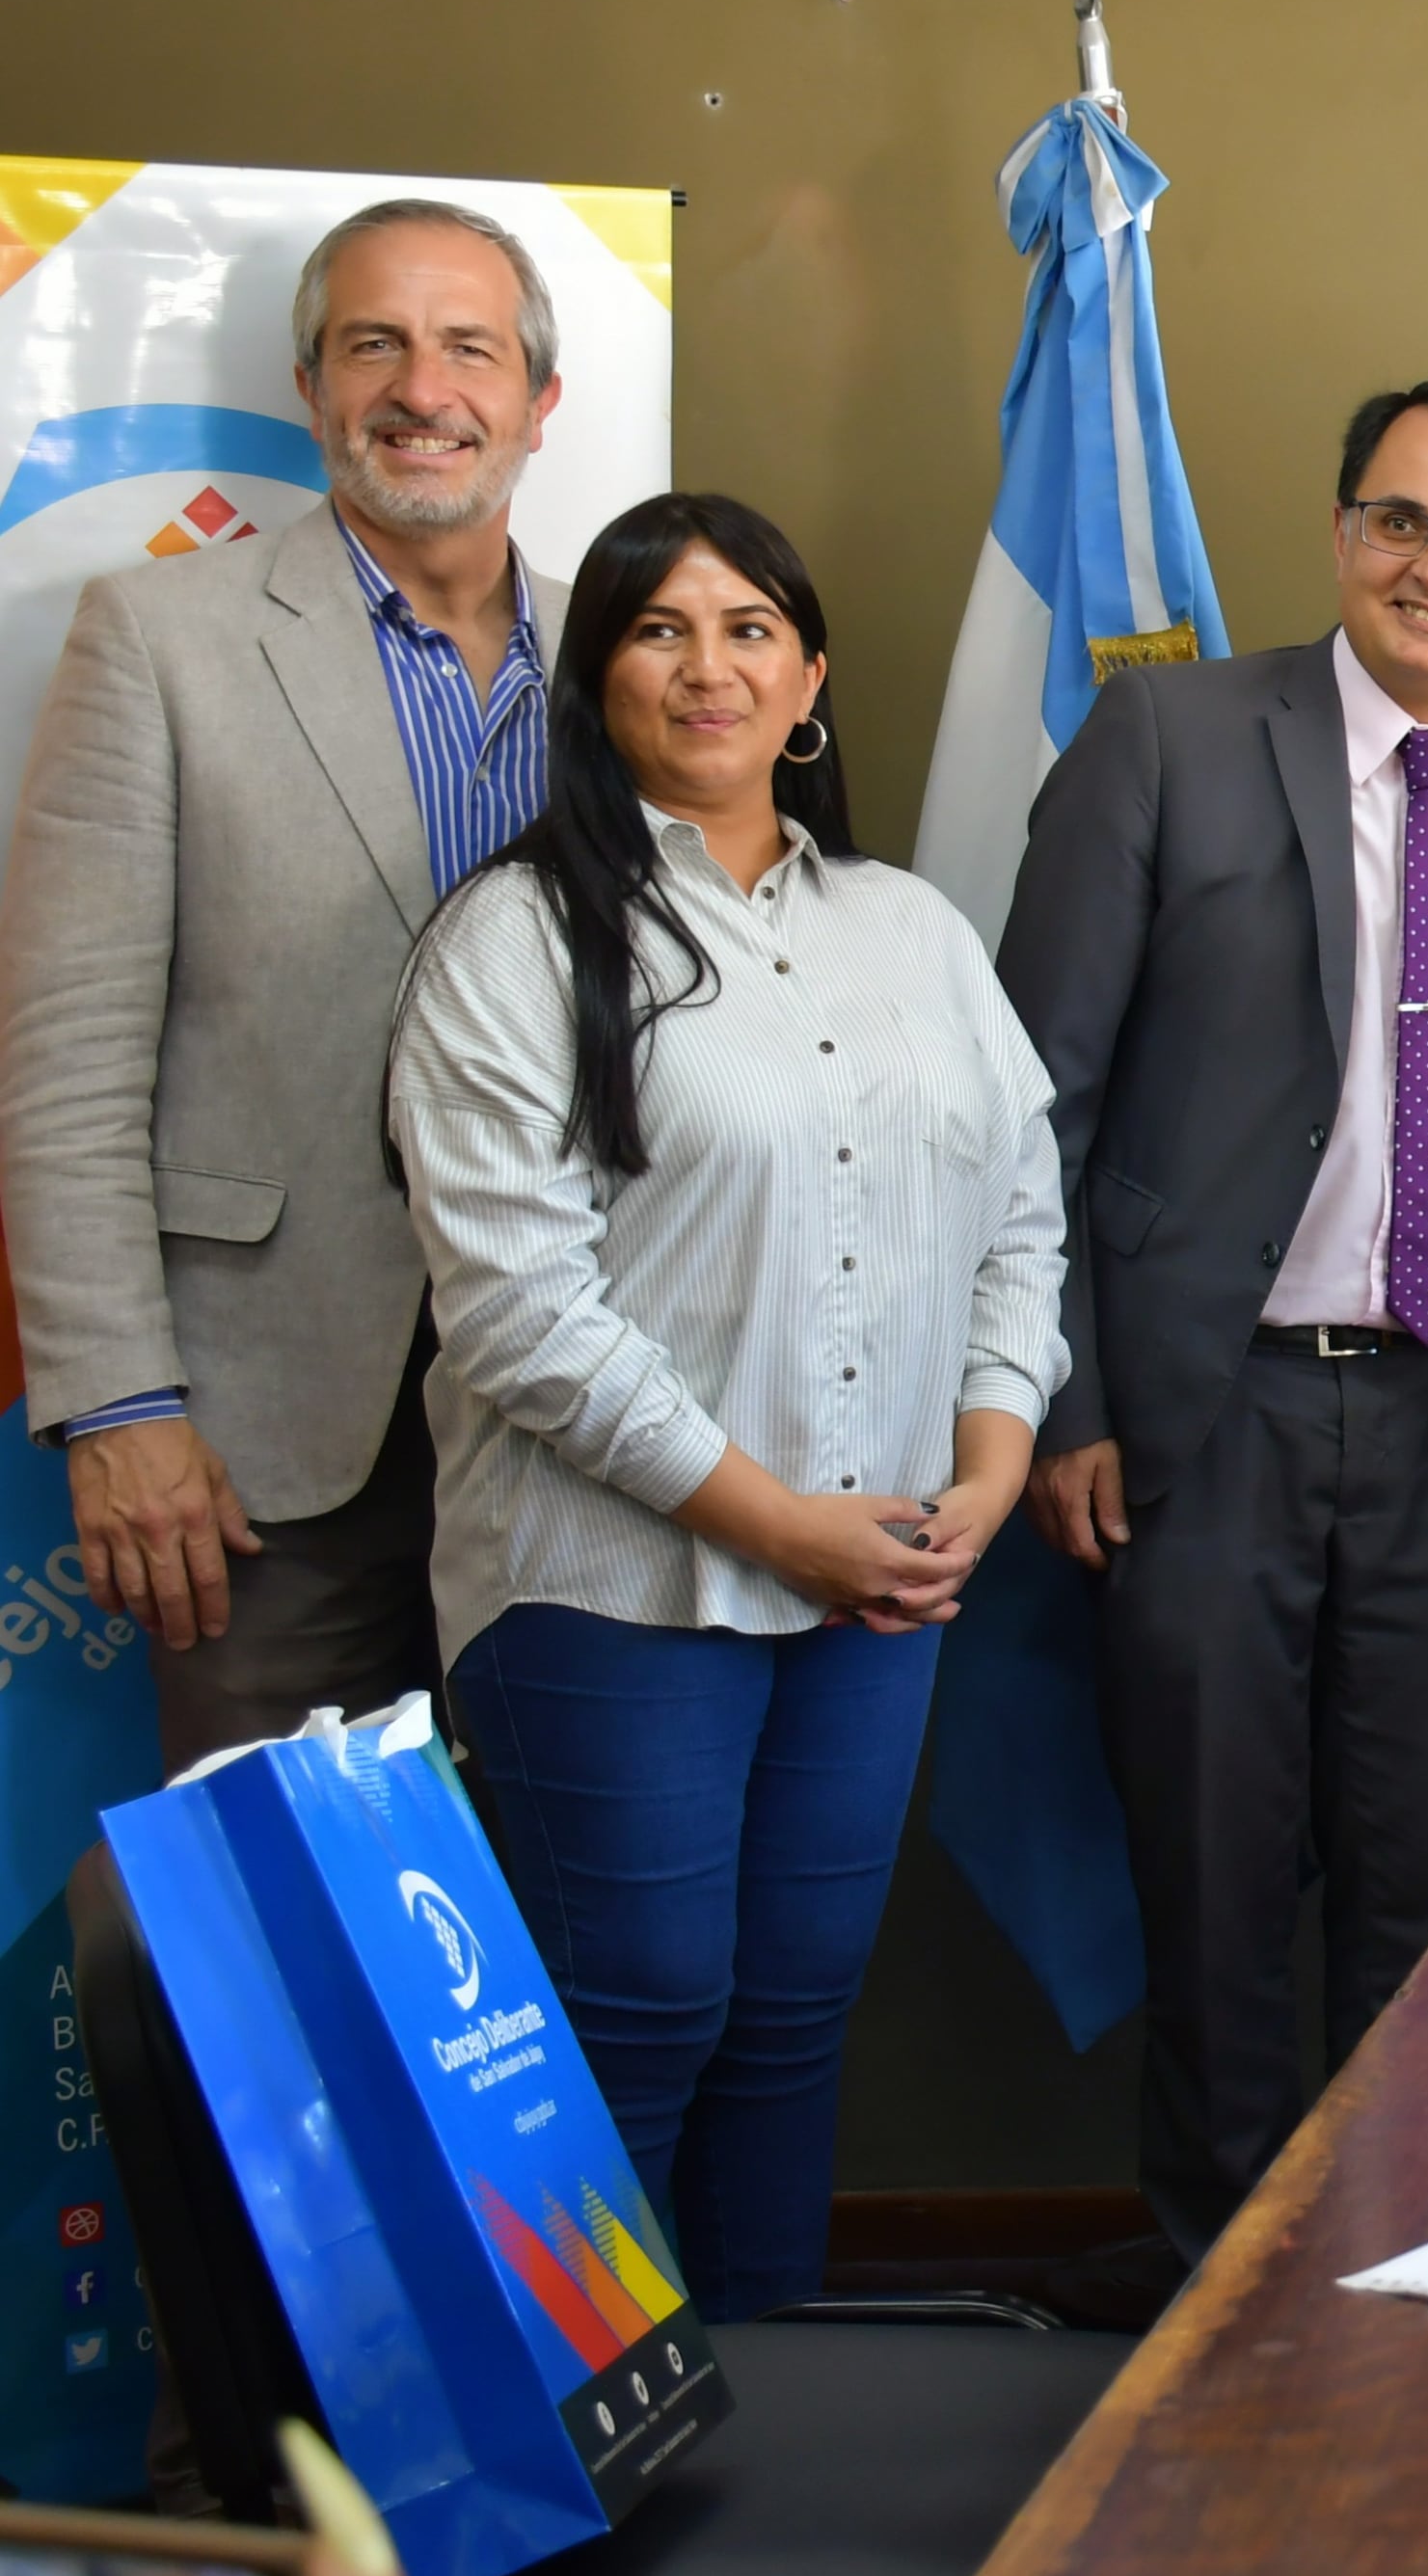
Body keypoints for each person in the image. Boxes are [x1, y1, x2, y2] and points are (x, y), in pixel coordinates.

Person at [996, 379, 1428, 2262]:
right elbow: (1026, 1094)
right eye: (1400, 519)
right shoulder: (1168, 736)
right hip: (1209, 1421)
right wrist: (1065, 1399)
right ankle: (1213, 2331)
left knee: (1426, 1907)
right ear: (1344, 529)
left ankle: (1398, 2307)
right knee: (1209, 1904)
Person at [390, 493, 1062, 2319]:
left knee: (789, 2015)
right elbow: (522, 1310)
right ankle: (572, 2496)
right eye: (660, 629)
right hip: (612, 1588)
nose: (711, 665)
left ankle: (764, 2471)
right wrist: (777, 1519)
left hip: (889, 1579)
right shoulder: (517, 939)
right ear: (596, 677)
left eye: (750, 626)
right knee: (640, 2006)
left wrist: (991, 1458)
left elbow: (1020, 1212)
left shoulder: (912, 929)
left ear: (812, 676)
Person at [1, 198, 568, 1765]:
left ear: (538, 400)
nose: (421, 386)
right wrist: (118, 1406)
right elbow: (67, 1064)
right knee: (283, 1948)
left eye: (470, 346)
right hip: (263, 1447)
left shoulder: (634, 667)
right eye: (372, 342)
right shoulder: (158, 641)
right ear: (314, 385)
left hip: (574, 1429)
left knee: (554, 1921)